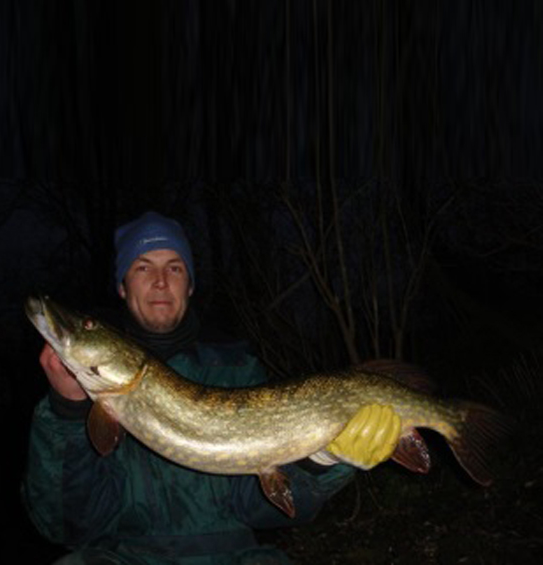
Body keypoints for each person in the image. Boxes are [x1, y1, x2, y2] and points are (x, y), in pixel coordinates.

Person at [22, 211, 401, 565]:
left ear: (189, 286)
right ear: (122, 286)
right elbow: (66, 525)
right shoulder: (85, 398)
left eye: (174, 267)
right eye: (142, 267)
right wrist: (67, 411)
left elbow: (268, 510)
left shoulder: (239, 371)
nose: (160, 281)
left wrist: (323, 462)